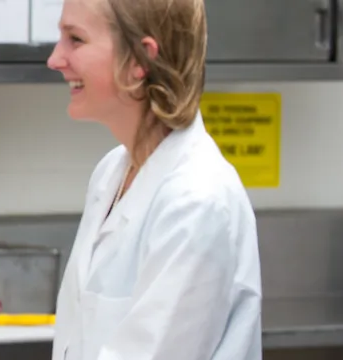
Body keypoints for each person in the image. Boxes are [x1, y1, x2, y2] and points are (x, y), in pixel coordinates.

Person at [45, 0, 262, 358]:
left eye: (76, 39)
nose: (55, 59)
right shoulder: (111, 173)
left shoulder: (196, 200)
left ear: (139, 61)